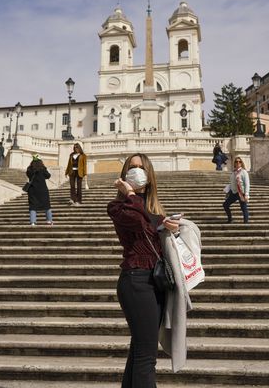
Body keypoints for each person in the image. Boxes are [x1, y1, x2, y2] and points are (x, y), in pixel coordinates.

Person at [107, 153, 180, 387]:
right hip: (136, 281)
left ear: (149, 175)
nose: (136, 171)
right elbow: (140, 222)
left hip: (156, 281)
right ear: (124, 174)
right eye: (131, 167)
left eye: (140, 167)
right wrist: (129, 192)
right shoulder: (118, 207)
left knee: (140, 351)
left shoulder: (154, 210)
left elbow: (151, 224)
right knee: (146, 357)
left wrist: (172, 229)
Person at [26, 155, 52, 226]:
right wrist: (44, 167)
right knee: (47, 205)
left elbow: (28, 175)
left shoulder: (29, 169)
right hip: (42, 189)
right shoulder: (42, 168)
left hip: (32, 190)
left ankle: (33, 221)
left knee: (32, 205)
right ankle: (49, 220)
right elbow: (48, 176)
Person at [223, 156, 250, 223]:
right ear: (234, 163)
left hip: (241, 192)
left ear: (241, 163)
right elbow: (232, 183)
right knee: (225, 204)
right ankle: (230, 219)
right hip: (234, 192)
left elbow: (247, 183)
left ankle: (246, 223)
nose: (238, 163)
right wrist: (228, 191)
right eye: (236, 162)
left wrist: (246, 194)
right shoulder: (233, 173)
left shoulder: (244, 172)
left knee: (243, 208)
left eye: (239, 162)